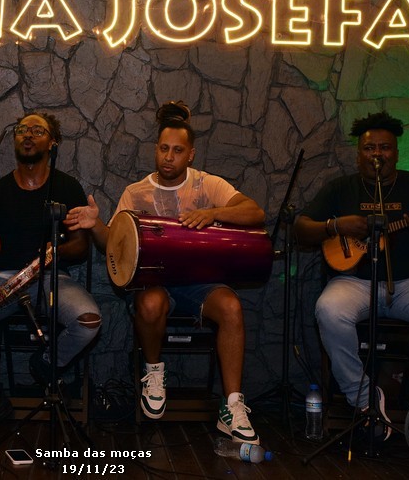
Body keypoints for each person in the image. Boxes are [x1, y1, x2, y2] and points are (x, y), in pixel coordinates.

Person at [64, 101, 265, 444]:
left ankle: (232, 406)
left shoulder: (207, 184)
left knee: (232, 307)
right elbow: (115, 244)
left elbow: (255, 212)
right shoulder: (136, 192)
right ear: (156, 150)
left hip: (200, 284)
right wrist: (95, 224)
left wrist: (214, 213)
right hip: (155, 282)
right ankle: (154, 372)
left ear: (191, 154)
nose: (168, 157)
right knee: (151, 303)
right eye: (163, 149)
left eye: (177, 150)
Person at [293, 112, 409, 441]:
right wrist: (336, 225)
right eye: (369, 148)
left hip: (408, 284)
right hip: (352, 282)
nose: (377, 154)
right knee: (328, 310)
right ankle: (365, 401)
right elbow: (301, 228)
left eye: (385, 147)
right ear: (359, 154)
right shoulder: (341, 188)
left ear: (396, 153)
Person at [0, 112, 101, 434]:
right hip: (4, 277)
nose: (27, 135)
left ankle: (45, 363)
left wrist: (54, 253)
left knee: (89, 321)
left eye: (37, 130)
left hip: (53, 279)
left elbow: (81, 246)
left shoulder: (66, 187)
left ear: (53, 142)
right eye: (21, 130)